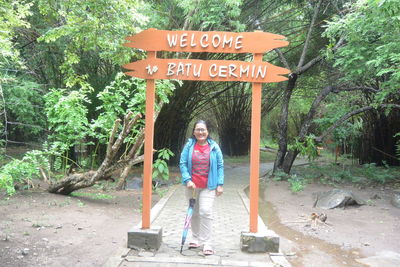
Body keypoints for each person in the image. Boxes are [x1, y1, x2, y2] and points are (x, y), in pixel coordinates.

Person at [179, 120, 224, 256]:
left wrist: (220, 184)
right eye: (198, 129)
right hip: (192, 186)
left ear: (207, 132)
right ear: (194, 132)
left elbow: (220, 166)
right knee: (194, 213)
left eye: (203, 129)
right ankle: (195, 238)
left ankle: (207, 242)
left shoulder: (214, 147)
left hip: (208, 186)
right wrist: (187, 179)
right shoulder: (189, 145)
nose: (200, 132)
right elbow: (182, 163)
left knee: (205, 211)